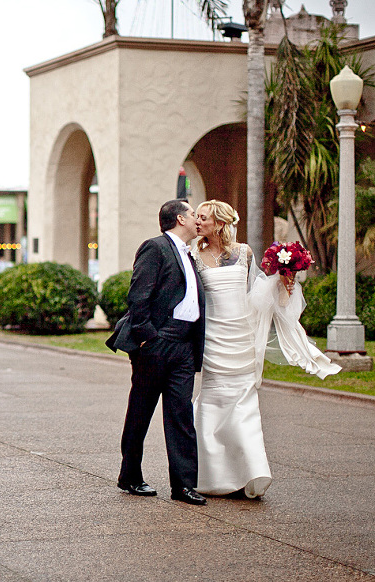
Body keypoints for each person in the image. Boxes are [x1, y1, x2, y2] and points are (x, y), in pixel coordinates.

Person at [191, 200, 340, 498]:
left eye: (202, 217)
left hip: (241, 338)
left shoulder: (244, 253)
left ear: (219, 223)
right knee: (212, 403)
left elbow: (255, 296)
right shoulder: (192, 253)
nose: (197, 222)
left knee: (244, 409)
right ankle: (211, 477)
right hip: (212, 340)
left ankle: (252, 474)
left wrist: (284, 282)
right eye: (195, 217)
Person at [106, 199, 206, 506]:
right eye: (192, 214)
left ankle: (184, 485)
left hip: (184, 346)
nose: (197, 219)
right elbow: (139, 295)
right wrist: (148, 338)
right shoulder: (155, 247)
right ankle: (130, 476)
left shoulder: (190, 254)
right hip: (157, 343)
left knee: (181, 415)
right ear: (179, 218)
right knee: (141, 411)